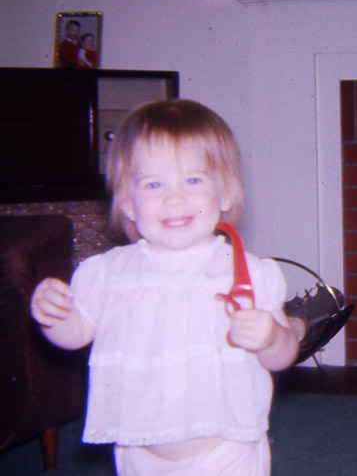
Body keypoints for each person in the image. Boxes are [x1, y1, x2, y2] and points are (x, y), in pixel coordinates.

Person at [30, 99, 300, 475]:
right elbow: (75, 334)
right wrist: (52, 316)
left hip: (227, 452)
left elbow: (283, 354)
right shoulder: (109, 273)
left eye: (193, 180)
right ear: (128, 203)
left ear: (225, 193)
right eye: (153, 184)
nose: (174, 198)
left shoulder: (246, 272)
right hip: (140, 454)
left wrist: (271, 338)